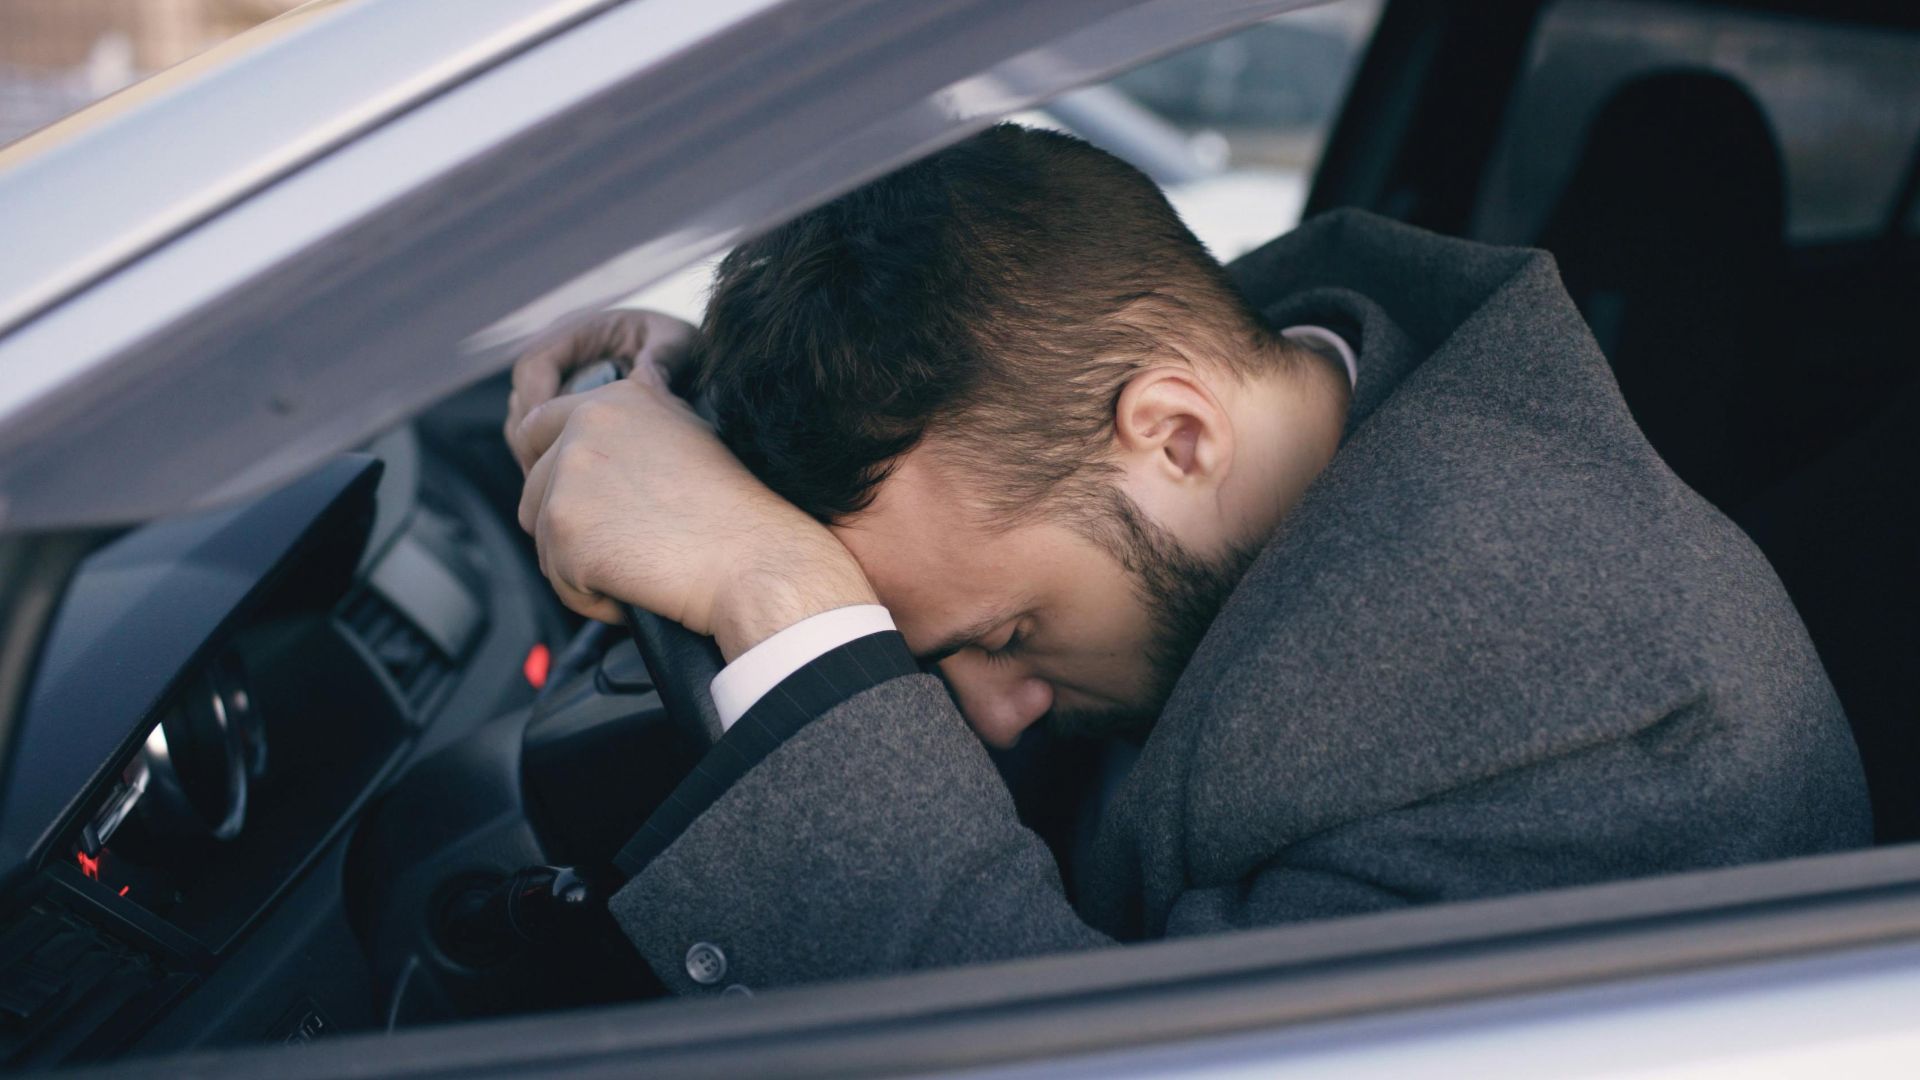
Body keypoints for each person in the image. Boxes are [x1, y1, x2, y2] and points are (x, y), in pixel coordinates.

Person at [504, 124, 1869, 995]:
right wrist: (723, 430)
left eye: (1007, 632)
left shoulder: (1586, 702)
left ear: (1174, 434)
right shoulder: (1235, 400)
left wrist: (779, 600)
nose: (984, 709)